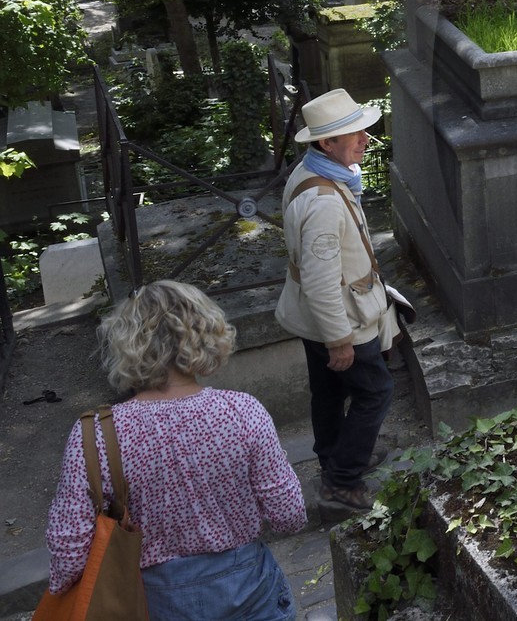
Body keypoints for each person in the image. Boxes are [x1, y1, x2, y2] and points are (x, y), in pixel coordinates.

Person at [45, 280, 306, 619]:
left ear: (126, 344)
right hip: (250, 593)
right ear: (206, 334)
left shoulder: (95, 435)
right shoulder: (243, 412)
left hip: (152, 602)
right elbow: (290, 517)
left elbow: (69, 553)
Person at [277, 88, 397, 512]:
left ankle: (337, 457)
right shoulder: (324, 201)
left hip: (312, 318)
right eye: (356, 134)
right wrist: (339, 339)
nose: (366, 139)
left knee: (327, 392)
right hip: (339, 320)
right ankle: (342, 480)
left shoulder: (309, 173)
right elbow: (322, 282)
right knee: (375, 393)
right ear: (327, 143)